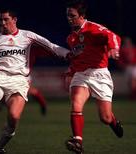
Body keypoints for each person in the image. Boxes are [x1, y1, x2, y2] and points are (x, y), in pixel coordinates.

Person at [0, 8, 72, 154]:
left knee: (14, 117)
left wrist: (67, 54)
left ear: (14, 20)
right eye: (1, 20)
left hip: (19, 81)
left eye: (6, 19)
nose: (3, 23)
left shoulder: (28, 36)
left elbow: (50, 46)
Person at [64, 0, 123, 153]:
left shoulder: (93, 29)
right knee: (76, 103)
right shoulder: (71, 38)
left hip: (99, 74)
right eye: (67, 15)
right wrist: (70, 72)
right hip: (81, 75)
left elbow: (113, 36)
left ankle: (114, 122)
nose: (69, 18)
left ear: (82, 16)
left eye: (73, 15)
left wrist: (114, 49)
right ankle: (77, 141)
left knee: (105, 118)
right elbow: (77, 59)